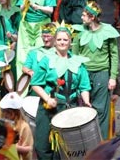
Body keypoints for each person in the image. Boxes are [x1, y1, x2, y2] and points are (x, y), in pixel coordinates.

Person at [31, 23, 91, 159]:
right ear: (54, 41)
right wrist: (47, 99)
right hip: (49, 108)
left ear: (70, 42)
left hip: (69, 108)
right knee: (43, 145)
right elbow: (35, 83)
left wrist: (86, 102)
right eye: (59, 39)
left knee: (66, 148)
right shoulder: (46, 61)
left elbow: (84, 86)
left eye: (65, 40)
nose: (62, 42)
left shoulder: (77, 62)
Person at [72, 1, 119, 140]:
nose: (81, 17)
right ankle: (87, 141)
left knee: (101, 110)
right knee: (84, 107)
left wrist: (112, 77)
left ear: (92, 17)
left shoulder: (107, 31)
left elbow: (114, 55)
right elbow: (74, 55)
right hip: (84, 73)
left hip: (101, 73)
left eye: (84, 15)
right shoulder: (80, 32)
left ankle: (101, 143)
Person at [11, 0, 56, 77]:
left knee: (41, 54)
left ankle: (40, 84)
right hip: (26, 26)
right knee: (23, 55)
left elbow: (50, 10)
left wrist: (36, 6)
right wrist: (24, 0)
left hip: (42, 25)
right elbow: (21, 9)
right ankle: (23, 88)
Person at [0, 92, 34, 160]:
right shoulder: (2, 124)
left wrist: (15, 148)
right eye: (3, 111)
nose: (5, 115)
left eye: (8, 112)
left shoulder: (24, 126)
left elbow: (30, 148)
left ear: (16, 113)